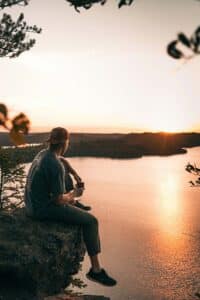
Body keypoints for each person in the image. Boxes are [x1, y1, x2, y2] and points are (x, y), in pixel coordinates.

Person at [24, 127, 117, 286]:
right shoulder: (54, 165)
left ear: (51, 141)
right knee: (91, 221)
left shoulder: (43, 154)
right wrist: (75, 194)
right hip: (41, 209)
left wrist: (74, 173)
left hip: (31, 203)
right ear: (65, 143)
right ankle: (96, 271)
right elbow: (59, 200)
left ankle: (74, 205)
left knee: (64, 176)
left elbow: (61, 160)